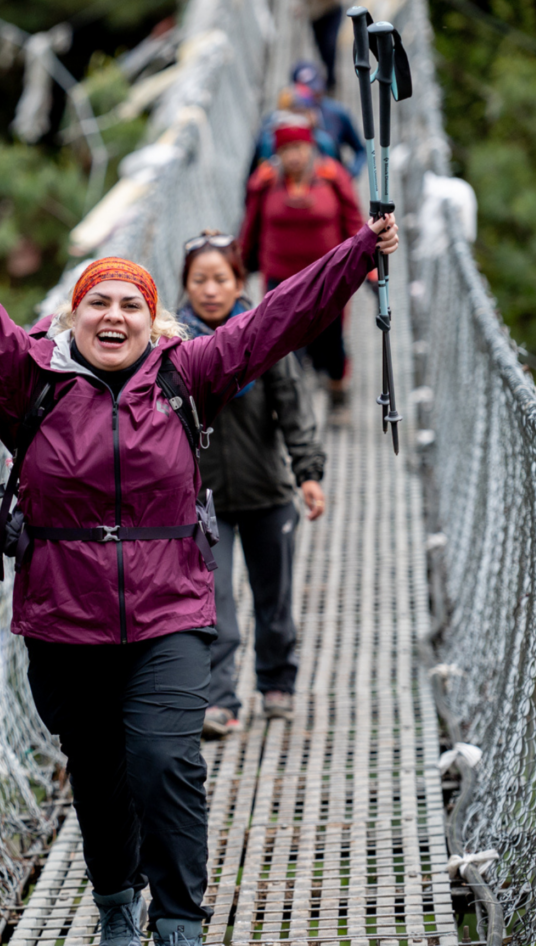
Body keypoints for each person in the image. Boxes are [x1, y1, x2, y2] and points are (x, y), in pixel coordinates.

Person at [0, 131, 398, 946]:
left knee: (165, 761)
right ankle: (116, 900)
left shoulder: (187, 374)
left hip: (169, 609)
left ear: (153, 325)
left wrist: (358, 250)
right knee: (99, 773)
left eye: (130, 305)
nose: (113, 315)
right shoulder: (26, 383)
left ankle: (180, 919)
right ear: (72, 318)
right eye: (98, 303)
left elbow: (280, 319)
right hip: (65, 618)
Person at [177, 233, 327, 736]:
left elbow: (295, 409)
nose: (211, 290)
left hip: (266, 491)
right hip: (201, 500)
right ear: (186, 287)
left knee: (274, 598)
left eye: (221, 279)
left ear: (241, 282)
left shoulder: (264, 337)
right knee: (211, 604)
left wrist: (308, 473)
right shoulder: (174, 345)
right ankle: (219, 700)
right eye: (200, 280)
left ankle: (276, 683)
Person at [240, 117, 363, 411]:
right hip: (279, 278)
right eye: (287, 149)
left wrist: (367, 265)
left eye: (299, 147)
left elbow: (354, 222)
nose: (294, 155)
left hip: (328, 277)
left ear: (310, 147)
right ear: (277, 153)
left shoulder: (333, 176)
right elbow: (250, 227)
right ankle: (290, 411)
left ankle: (337, 392)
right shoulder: (266, 181)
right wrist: (237, 267)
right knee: (283, 346)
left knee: (331, 341)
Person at [291, 60, 366, 179]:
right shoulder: (283, 122)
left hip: (332, 182)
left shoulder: (338, 114)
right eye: (307, 93)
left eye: (316, 89)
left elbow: (360, 150)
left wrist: (349, 174)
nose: (314, 94)